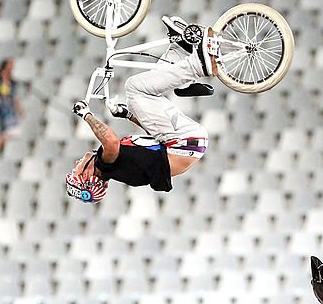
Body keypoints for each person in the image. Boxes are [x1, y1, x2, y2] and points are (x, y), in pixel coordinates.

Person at [66, 17, 217, 204]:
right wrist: (86, 114)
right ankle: (198, 65)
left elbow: (155, 134)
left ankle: (181, 51)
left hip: (188, 142)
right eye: (76, 171)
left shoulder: (118, 167)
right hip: (183, 143)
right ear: (88, 175)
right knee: (135, 88)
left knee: (149, 89)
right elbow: (110, 141)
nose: (75, 164)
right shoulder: (105, 164)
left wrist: (127, 115)